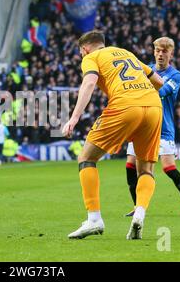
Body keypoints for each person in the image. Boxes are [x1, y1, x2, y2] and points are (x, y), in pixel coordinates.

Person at [62, 30, 164, 240]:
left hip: (125, 105)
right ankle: (140, 213)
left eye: (81, 52)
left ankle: (94, 220)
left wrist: (73, 118)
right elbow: (159, 82)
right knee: (146, 168)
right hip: (154, 106)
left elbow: (89, 83)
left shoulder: (91, 57)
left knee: (86, 158)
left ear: (85, 49)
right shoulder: (125, 53)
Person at [125, 37, 180, 217]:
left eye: (164, 51)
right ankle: (138, 207)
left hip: (163, 127)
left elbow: (163, 91)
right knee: (130, 165)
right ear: (154, 52)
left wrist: (139, 90)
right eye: (158, 51)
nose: (161, 54)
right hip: (141, 126)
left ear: (171, 54)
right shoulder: (147, 69)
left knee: (168, 168)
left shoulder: (175, 75)